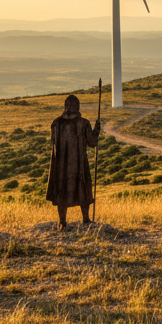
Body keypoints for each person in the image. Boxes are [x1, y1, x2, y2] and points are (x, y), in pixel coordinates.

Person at [46, 94, 100, 228]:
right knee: (83, 187)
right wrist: (97, 129)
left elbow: (53, 141)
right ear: (77, 106)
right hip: (79, 163)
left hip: (60, 166)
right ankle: (86, 220)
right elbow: (92, 142)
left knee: (62, 191)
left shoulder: (56, 123)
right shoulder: (83, 123)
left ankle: (62, 222)